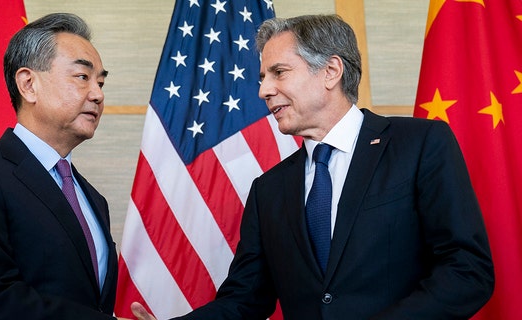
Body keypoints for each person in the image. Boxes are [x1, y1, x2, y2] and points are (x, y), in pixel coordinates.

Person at [130, 14, 494, 319]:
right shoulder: (268, 189)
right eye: (262, 78)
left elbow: (467, 269)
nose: (263, 91)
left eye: (279, 73)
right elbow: (244, 300)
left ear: (331, 71)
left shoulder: (419, 143)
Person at [0, 13, 130, 319]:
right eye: (82, 77)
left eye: (101, 82)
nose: (98, 94)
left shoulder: (94, 200)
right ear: (28, 84)